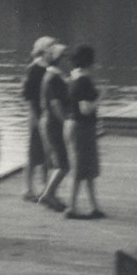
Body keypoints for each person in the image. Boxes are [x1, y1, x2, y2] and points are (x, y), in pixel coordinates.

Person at [65, 44, 105, 219]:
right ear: (90, 61)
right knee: (80, 169)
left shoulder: (74, 78)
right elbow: (85, 109)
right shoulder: (84, 81)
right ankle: (71, 208)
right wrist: (101, 97)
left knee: (86, 169)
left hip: (74, 126)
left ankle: (94, 206)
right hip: (83, 128)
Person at [35, 42, 72, 213]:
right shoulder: (54, 78)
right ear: (58, 59)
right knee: (63, 164)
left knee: (56, 162)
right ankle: (48, 195)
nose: (67, 59)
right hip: (53, 123)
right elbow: (55, 104)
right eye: (64, 56)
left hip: (48, 121)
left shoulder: (53, 75)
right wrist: (65, 123)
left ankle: (51, 195)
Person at [21, 36, 55, 201]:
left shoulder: (49, 68)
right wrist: (34, 119)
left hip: (47, 115)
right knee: (33, 154)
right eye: (51, 47)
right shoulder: (34, 69)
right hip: (36, 116)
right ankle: (28, 189)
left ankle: (45, 187)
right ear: (44, 50)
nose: (53, 50)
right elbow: (28, 97)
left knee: (47, 152)